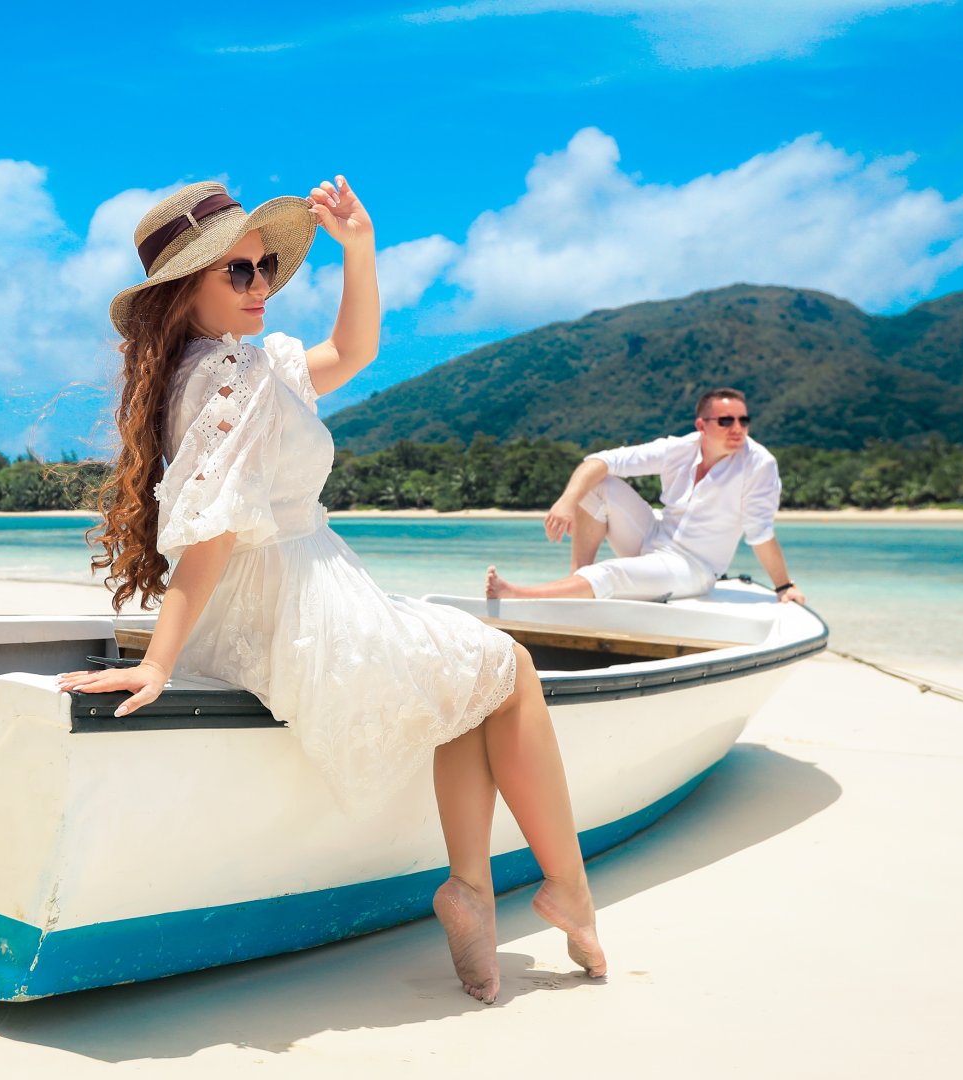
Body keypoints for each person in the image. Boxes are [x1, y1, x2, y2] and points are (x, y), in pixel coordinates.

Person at [57, 178, 606, 1001]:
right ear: (185, 293)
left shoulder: (229, 367)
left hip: (272, 601)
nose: (260, 286)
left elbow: (353, 355)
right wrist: (158, 666)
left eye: (265, 267)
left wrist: (359, 252)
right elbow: (210, 533)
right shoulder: (232, 376)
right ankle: (564, 887)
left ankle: (473, 892)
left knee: (466, 681)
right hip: (302, 608)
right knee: (509, 668)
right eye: (235, 274)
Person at [485, 389, 807, 605]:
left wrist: (783, 587)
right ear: (702, 425)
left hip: (693, 567)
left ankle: (518, 595)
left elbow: (760, 534)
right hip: (653, 537)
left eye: (743, 420)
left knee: (610, 572)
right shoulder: (679, 449)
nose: (737, 428)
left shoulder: (758, 464)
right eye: (726, 421)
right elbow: (601, 461)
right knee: (599, 484)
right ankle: (577, 578)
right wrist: (566, 501)